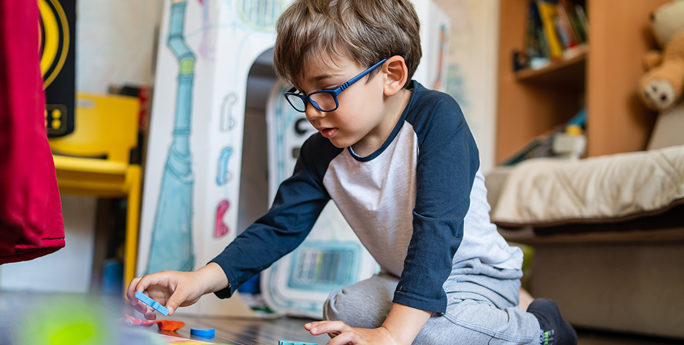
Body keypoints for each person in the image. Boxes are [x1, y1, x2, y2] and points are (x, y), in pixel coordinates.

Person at [128, 0, 577, 344]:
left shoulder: (437, 120)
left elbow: (436, 232)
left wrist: (392, 335)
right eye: (301, 94)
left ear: (391, 75)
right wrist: (199, 280)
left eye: (325, 90)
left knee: (429, 336)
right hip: (402, 276)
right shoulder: (322, 152)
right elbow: (278, 228)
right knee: (340, 309)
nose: (310, 111)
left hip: (473, 277)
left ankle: (541, 325)